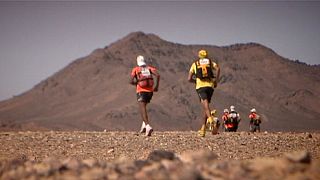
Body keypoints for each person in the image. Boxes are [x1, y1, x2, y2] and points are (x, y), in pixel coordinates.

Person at [188, 49, 220, 137]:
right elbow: (218, 68)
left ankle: (210, 120)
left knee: (205, 105)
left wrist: (195, 81)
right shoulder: (210, 62)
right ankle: (203, 129)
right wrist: (216, 81)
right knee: (206, 108)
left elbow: (189, 78)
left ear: (199, 55)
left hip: (200, 86)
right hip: (210, 86)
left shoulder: (195, 64)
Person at [130, 55, 160, 136]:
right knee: (144, 108)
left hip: (141, 91)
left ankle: (147, 126)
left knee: (142, 109)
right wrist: (156, 87)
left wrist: (136, 83)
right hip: (150, 92)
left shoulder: (136, 69)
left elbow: (131, 81)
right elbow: (158, 75)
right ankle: (144, 126)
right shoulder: (149, 68)